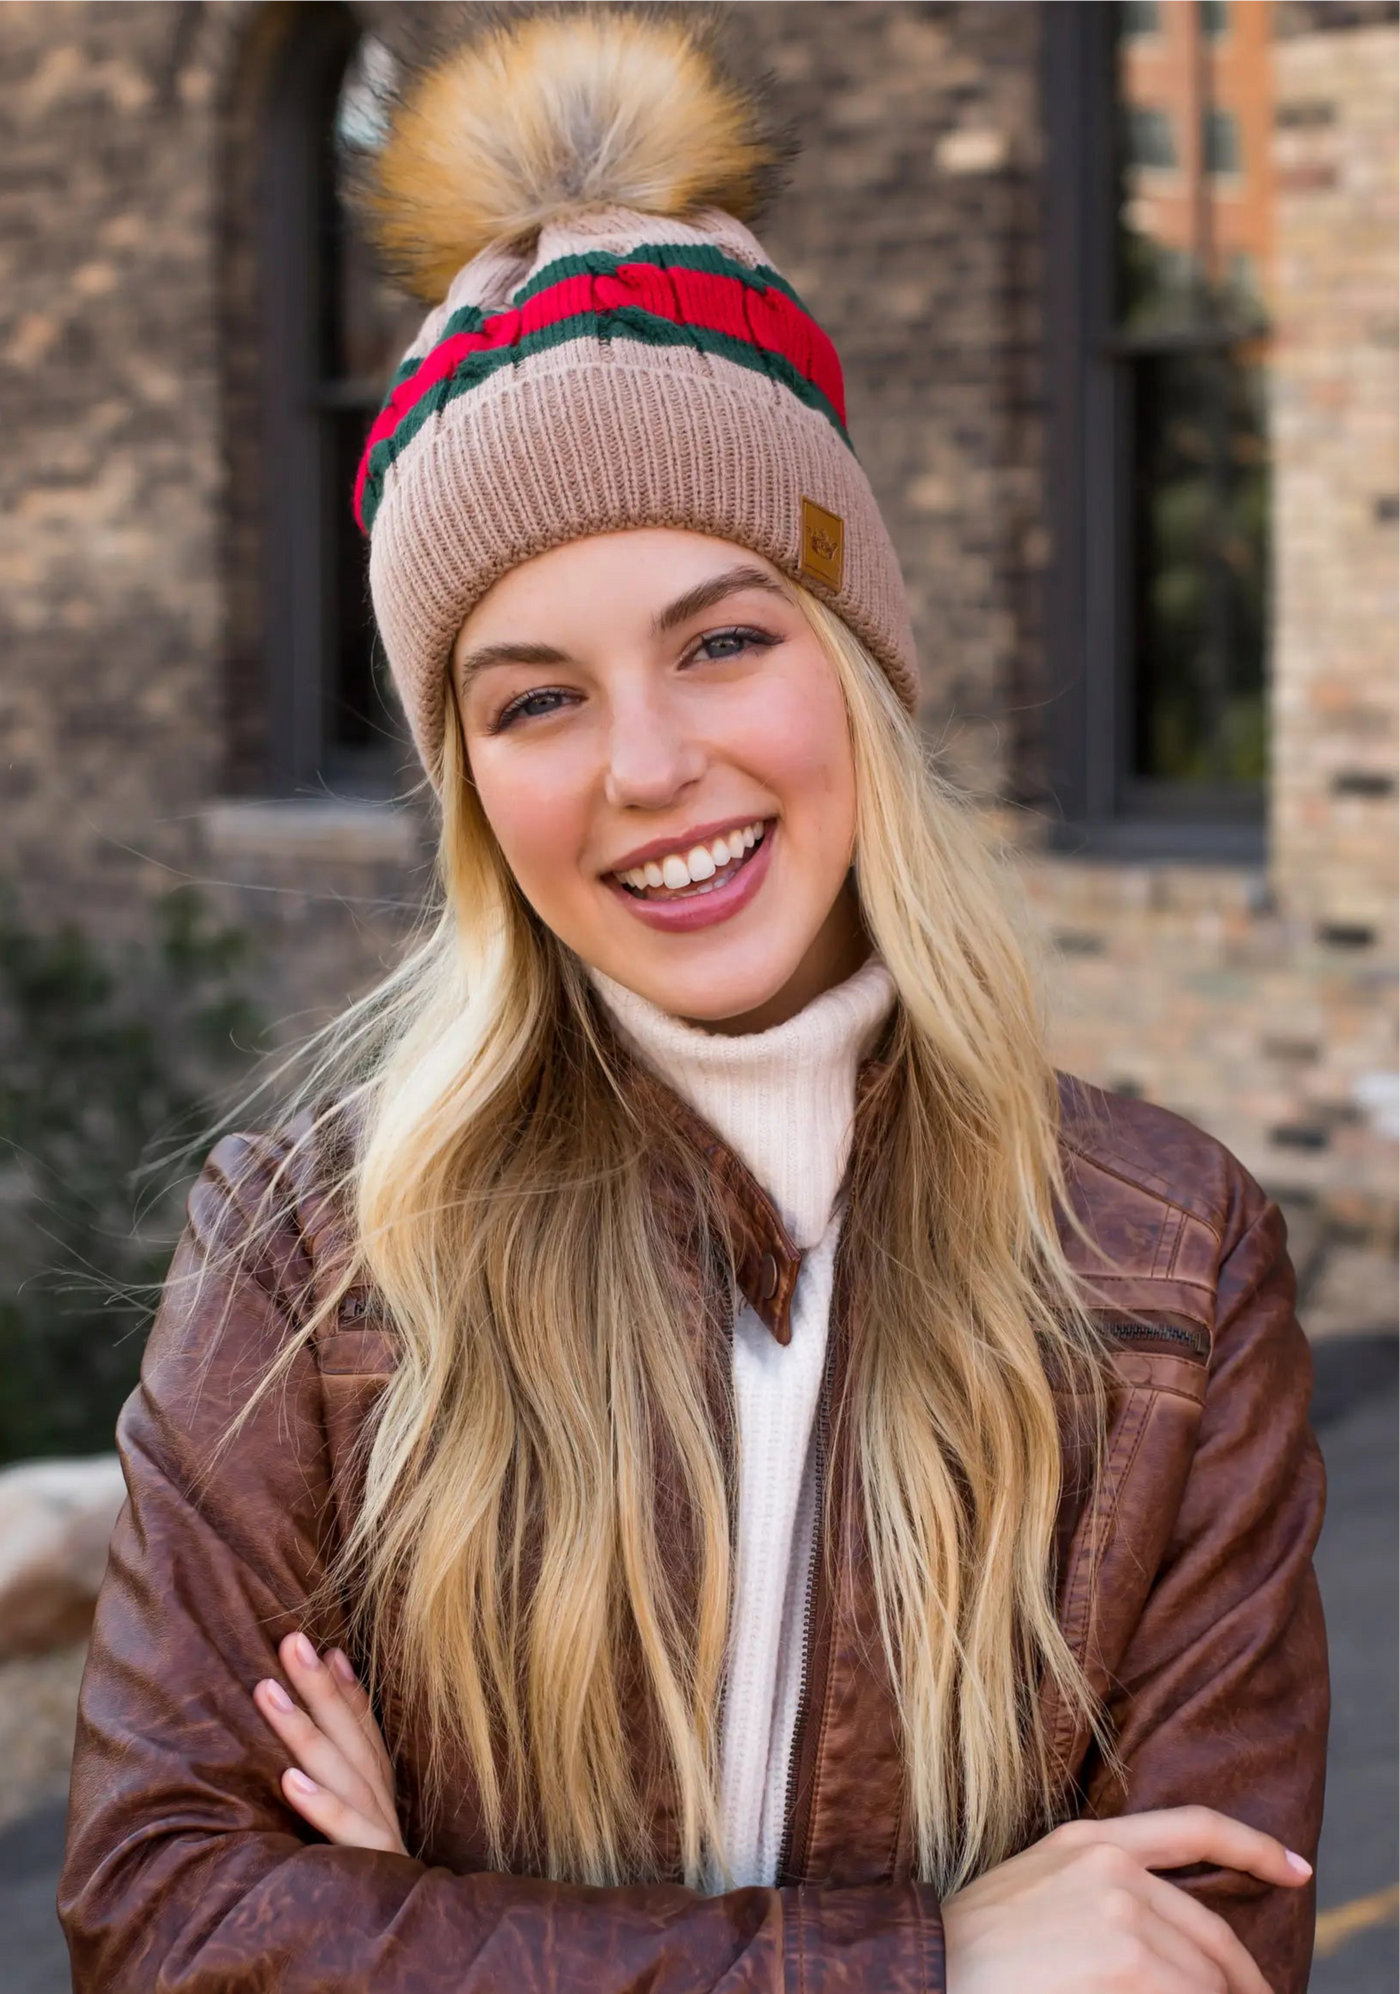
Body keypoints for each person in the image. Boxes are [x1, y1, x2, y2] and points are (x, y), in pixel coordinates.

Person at [58, 8, 1327, 1991]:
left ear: (856, 665)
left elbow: (1189, 1954)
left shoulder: (1163, 1268)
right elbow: (160, 1919)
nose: (644, 764)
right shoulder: (313, 1263)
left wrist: (418, 1924)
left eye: (723, 637)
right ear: (470, 781)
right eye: (535, 696)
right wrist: (939, 1955)